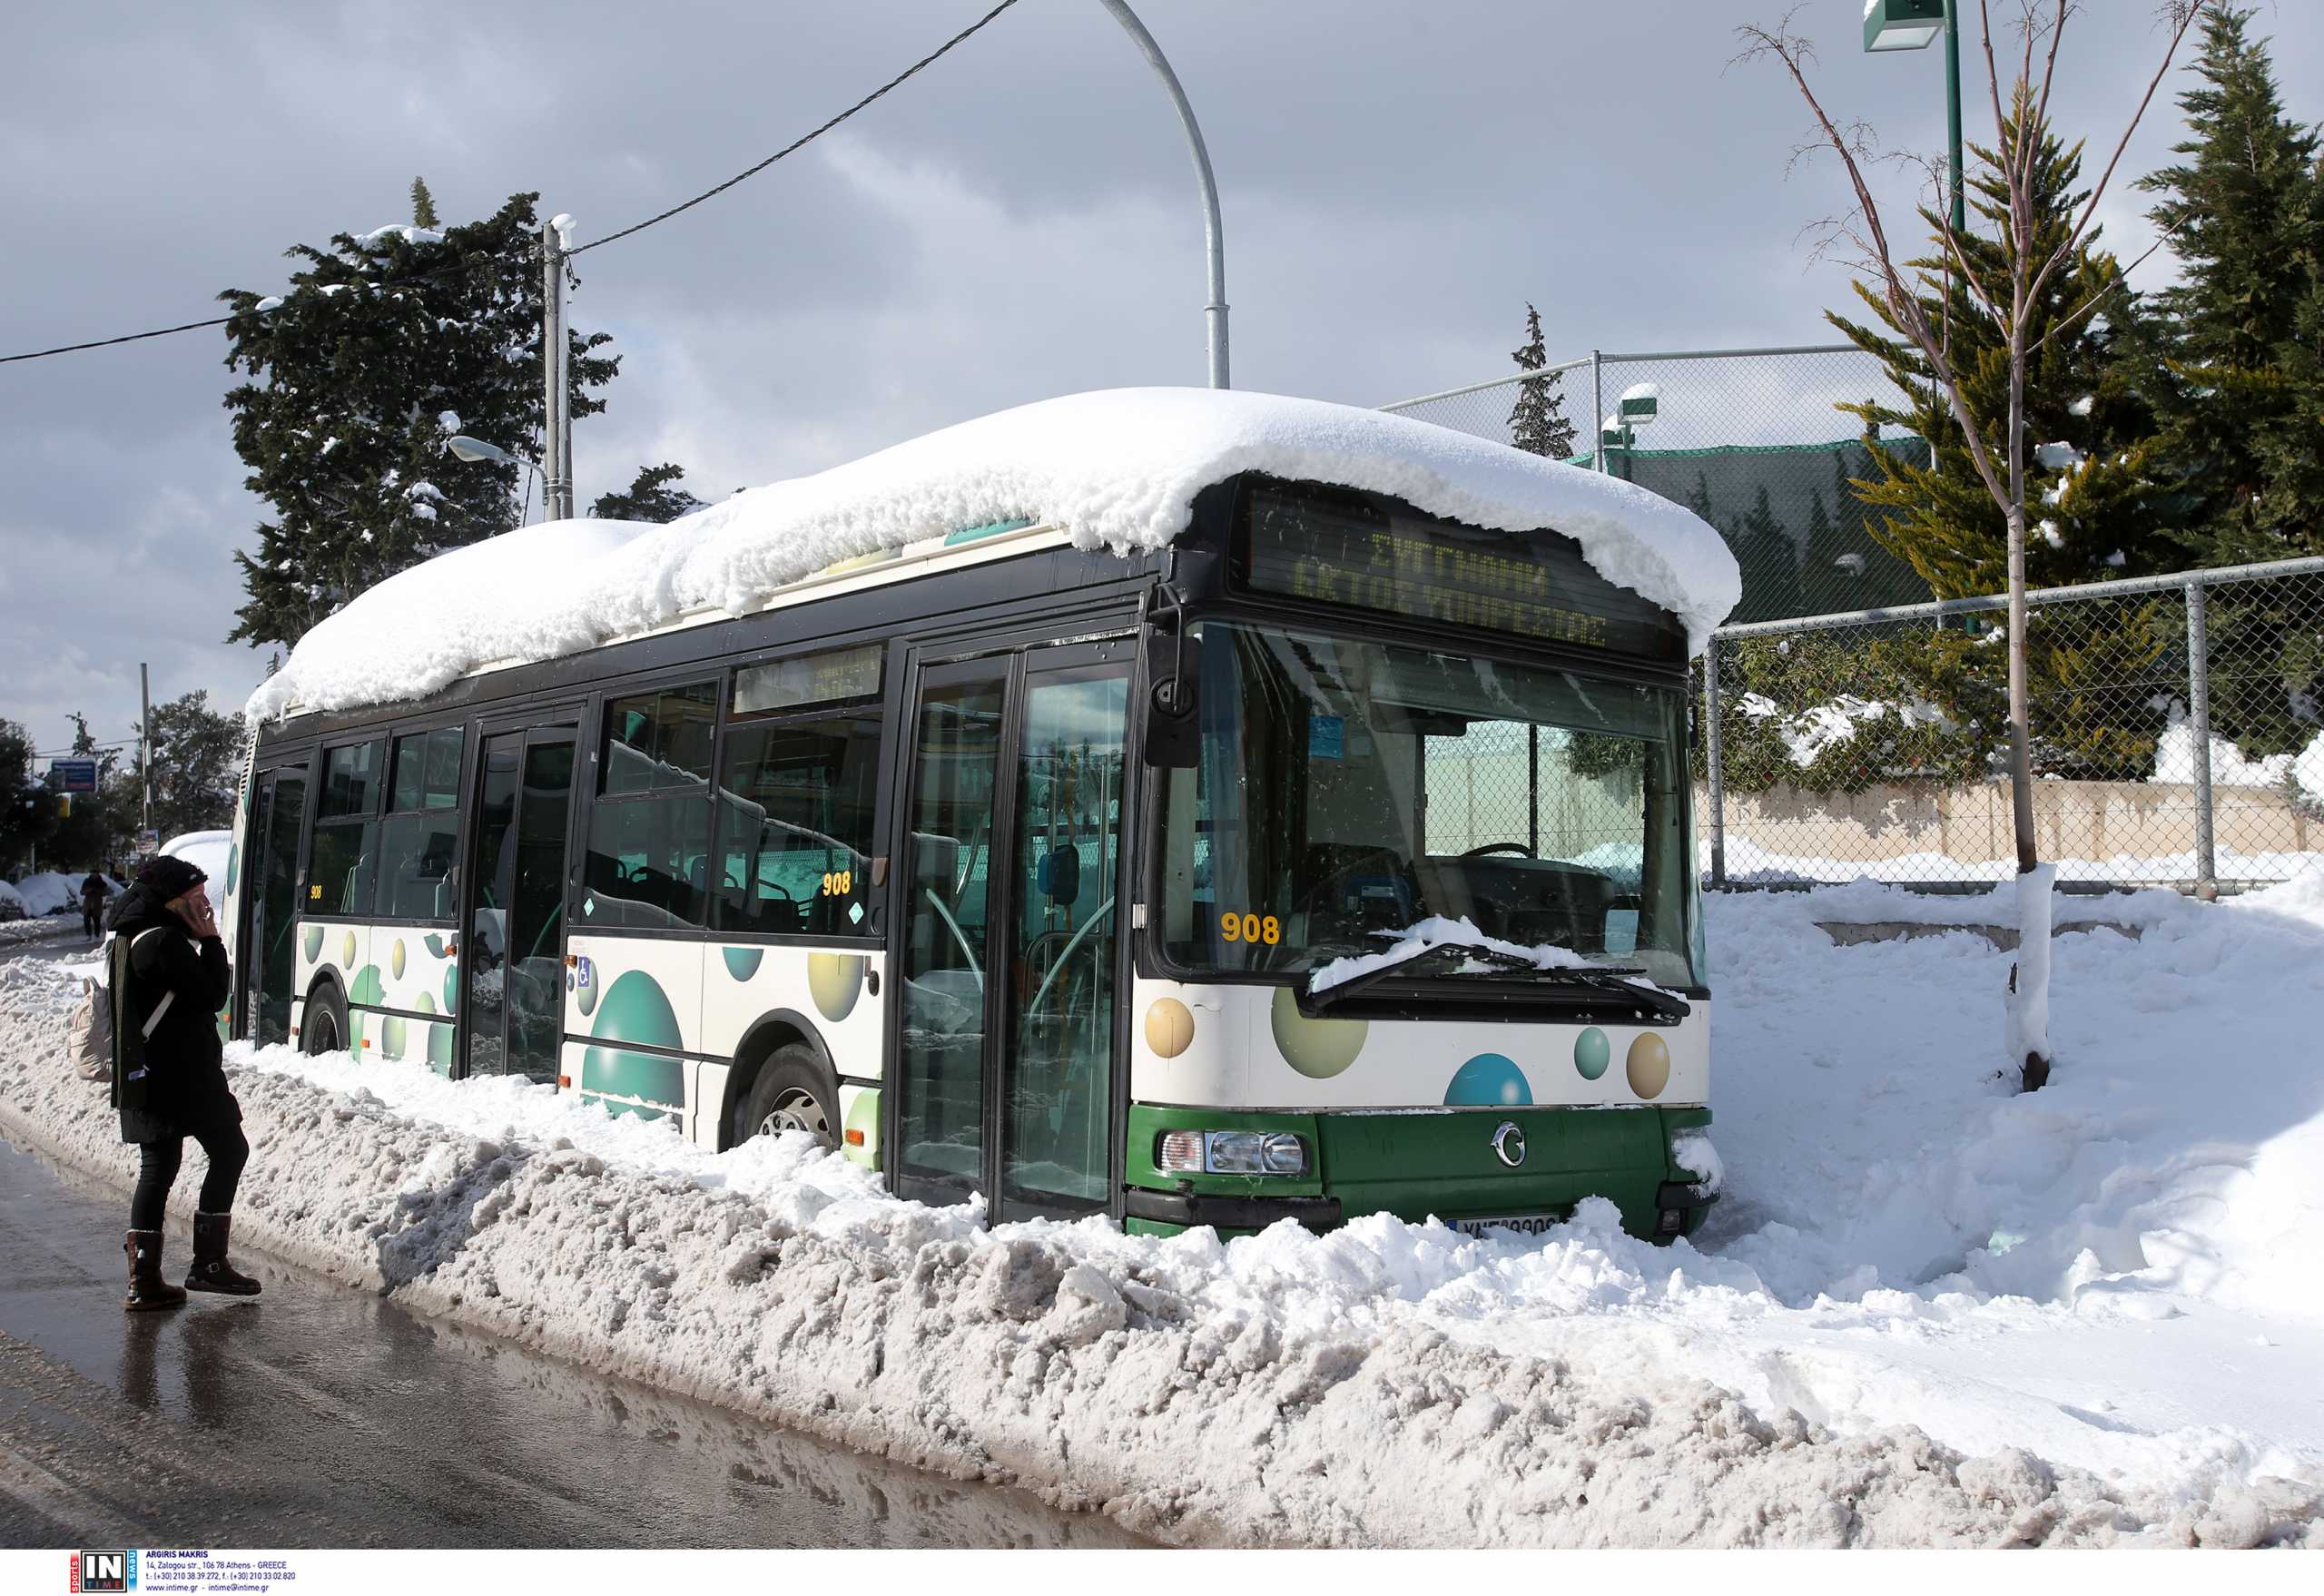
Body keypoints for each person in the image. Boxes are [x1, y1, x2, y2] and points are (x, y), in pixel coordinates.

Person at [107, 855, 261, 1310]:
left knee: (158, 1169)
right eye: (193, 899)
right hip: (183, 1077)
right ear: (170, 901)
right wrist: (212, 941)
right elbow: (214, 995)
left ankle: (144, 1280)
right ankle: (208, 1266)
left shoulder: (131, 935)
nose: (203, 908)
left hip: (146, 1075)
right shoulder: (162, 944)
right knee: (230, 1150)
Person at [79, 870, 112, 941]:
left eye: (95, 874)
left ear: (98, 874)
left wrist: (98, 890)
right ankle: (88, 936)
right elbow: (82, 892)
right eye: (92, 874)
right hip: (88, 904)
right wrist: (89, 890)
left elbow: (107, 892)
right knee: (86, 921)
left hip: (97, 904)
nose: (94, 875)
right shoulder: (86, 881)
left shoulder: (102, 883)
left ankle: (97, 936)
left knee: (97, 921)